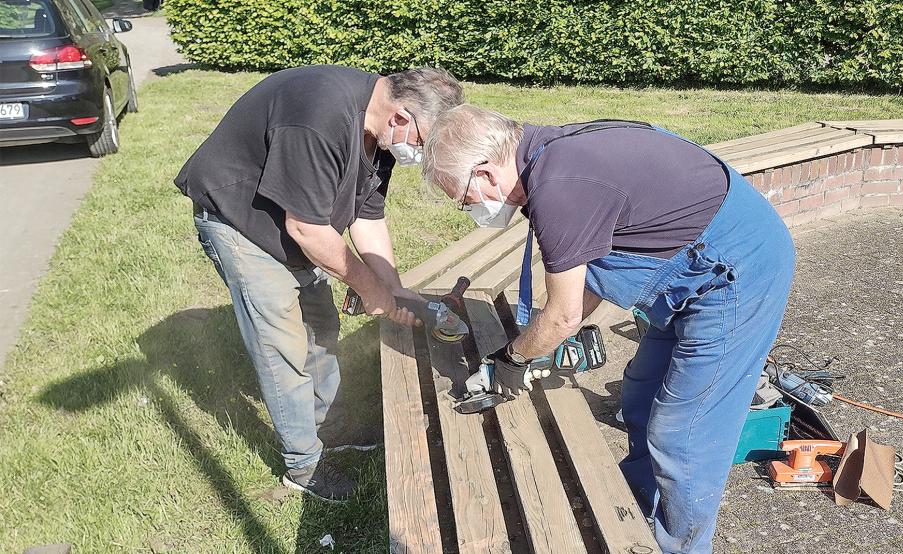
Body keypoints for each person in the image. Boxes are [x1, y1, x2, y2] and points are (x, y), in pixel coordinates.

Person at [422, 105, 795, 552]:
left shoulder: (559, 188)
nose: (470, 209)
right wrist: (540, 344)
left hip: (737, 274)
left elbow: (564, 315)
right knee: (639, 394)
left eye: (464, 199)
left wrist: (510, 360)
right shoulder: (542, 153)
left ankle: (680, 545)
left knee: (683, 435)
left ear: (484, 172)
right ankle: (639, 505)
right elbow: (589, 279)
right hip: (695, 264)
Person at [174, 65, 463, 502]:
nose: (420, 155)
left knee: (322, 325)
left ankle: (332, 425)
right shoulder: (320, 114)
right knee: (282, 344)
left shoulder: (379, 132)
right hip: (239, 220)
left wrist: (393, 288)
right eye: (425, 144)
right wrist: (370, 289)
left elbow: (368, 217)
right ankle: (303, 465)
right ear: (402, 116)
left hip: (294, 226)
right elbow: (308, 229)